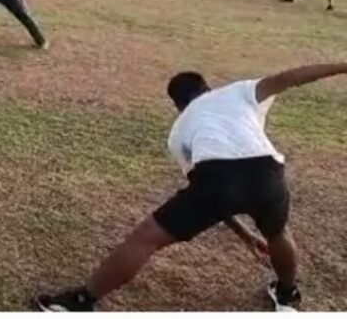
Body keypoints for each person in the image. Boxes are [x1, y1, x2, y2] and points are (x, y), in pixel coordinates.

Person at [35, 62, 347, 312]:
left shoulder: (179, 131)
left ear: (177, 105)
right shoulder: (239, 91)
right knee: (278, 233)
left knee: (145, 239)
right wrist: (342, 66)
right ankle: (287, 293)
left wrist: (244, 235)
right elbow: (291, 77)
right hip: (268, 171)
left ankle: (80, 301)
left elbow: (211, 191)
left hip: (215, 176)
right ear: (207, 88)